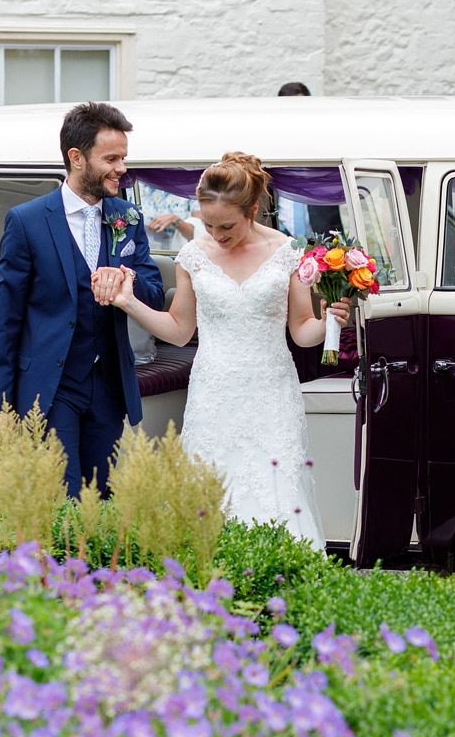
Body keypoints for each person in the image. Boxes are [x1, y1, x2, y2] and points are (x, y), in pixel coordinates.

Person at [99, 152, 351, 548]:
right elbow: (180, 331)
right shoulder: (192, 257)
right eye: (208, 224)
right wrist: (130, 303)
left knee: (278, 488)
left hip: (271, 392)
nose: (216, 234)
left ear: (253, 209)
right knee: (210, 489)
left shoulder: (288, 253)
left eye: (227, 226)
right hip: (213, 391)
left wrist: (331, 321)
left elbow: (302, 331)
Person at [0, 101, 165, 499]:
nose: (122, 168)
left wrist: (125, 279)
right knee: (60, 496)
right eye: (111, 158)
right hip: (51, 386)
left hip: (108, 385)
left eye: (124, 158)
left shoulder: (128, 217)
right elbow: (5, 321)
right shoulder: (26, 221)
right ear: (77, 157)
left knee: (99, 495)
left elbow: (153, 294)